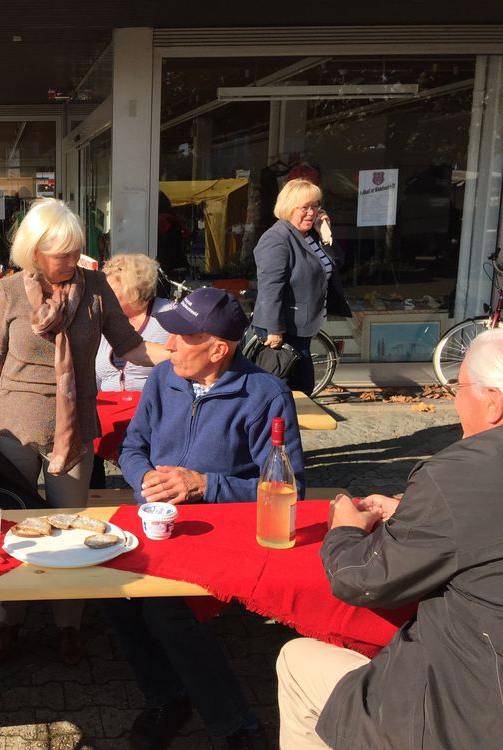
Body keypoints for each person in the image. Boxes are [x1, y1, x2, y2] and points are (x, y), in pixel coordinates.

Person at [276, 328, 503, 750]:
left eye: (460, 387)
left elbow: (364, 580)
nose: (455, 400)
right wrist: (424, 517)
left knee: (296, 660)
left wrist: (344, 528)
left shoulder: (460, 471)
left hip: (468, 711)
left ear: (493, 401)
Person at [0, 197, 170, 665]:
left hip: (76, 423)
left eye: (75, 250)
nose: (71, 261)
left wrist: (183, 361)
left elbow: (130, 347)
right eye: (60, 253)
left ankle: (70, 624)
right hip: (15, 424)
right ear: (34, 251)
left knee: (71, 530)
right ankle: (8, 621)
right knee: (13, 530)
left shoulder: (97, 287)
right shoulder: (7, 291)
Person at [111, 286, 304, 750]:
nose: (168, 344)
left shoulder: (265, 395)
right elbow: (132, 447)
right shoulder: (163, 379)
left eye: (182, 336)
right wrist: (146, 482)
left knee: (163, 608)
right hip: (157, 523)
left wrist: (203, 486)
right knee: (108, 590)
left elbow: (291, 488)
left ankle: (236, 724)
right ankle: (168, 695)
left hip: (223, 533)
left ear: (218, 349)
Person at [251, 178, 350, 394]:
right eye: (305, 207)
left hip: (302, 327)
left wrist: (326, 234)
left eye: (315, 206)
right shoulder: (277, 239)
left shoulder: (310, 235)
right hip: (283, 329)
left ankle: (288, 427)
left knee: (300, 391)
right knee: (285, 391)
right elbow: (270, 288)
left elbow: (337, 264)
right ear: (288, 207)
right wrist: (274, 330)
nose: (311, 212)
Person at [95, 254, 175, 392]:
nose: (104, 296)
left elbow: (185, 358)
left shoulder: (169, 313)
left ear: (133, 288)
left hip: (152, 407)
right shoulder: (102, 318)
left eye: (110, 291)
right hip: (106, 408)